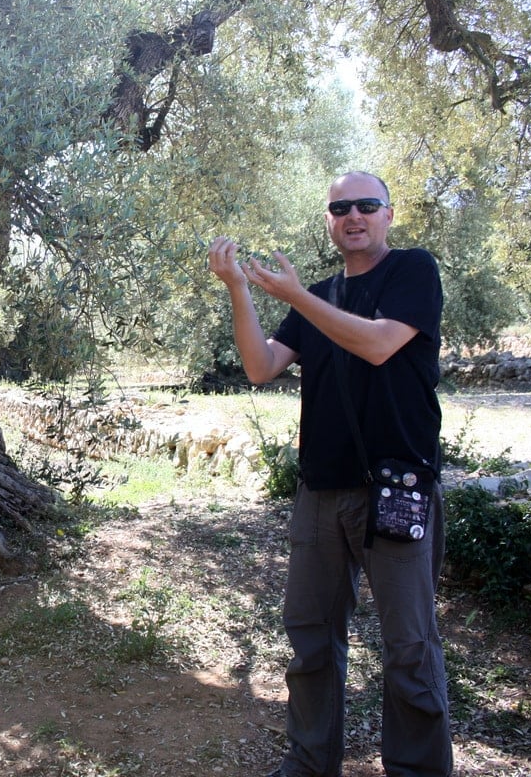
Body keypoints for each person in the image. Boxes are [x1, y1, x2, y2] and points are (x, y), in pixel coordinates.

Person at [207, 171, 452, 777]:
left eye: (367, 205)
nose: (354, 216)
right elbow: (262, 367)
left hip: (396, 489)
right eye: (340, 207)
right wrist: (240, 288)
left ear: (388, 215)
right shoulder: (316, 294)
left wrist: (294, 298)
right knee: (311, 639)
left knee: (410, 648)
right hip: (320, 491)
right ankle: (310, 763)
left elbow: (378, 344)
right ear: (329, 221)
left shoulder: (412, 272)